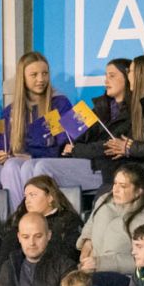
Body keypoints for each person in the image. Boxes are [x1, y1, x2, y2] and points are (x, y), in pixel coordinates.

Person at [0, 51, 75, 210]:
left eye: (45, 74)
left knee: (17, 165)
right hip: (16, 162)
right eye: (34, 75)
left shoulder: (59, 103)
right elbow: (3, 144)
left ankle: (26, 215)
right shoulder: (10, 110)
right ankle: (9, 217)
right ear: (22, 78)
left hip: (45, 163)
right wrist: (0, 153)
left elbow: (64, 146)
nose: (41, 79)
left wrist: (30, 155)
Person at [48, 57, 132, 190]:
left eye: (112, 76)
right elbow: (77, 135)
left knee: (42, 167)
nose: (106, 80)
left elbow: (111, 145)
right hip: (86, 160)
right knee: (30, 166)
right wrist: (67, 146)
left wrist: (76, 150)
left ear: (128, 78)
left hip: (106, 168)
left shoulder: (135, 110)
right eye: (106, 76)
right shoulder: (101, 106)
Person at [77, 163, 144, 286]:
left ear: (139, 191)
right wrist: (86, 242)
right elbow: (91, 224)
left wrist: (100, 263)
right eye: (115, 184)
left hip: (126, 277)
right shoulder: (104, 201)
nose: (115, 190)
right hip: (91, 269)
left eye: (123, 186)